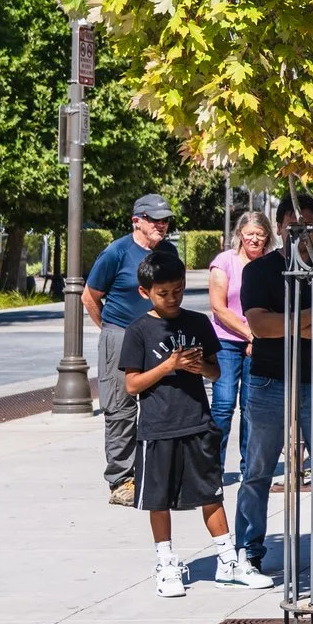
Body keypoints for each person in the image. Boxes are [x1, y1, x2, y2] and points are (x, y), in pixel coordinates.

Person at [122, 250, 274, 596]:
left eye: (177, 290)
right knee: (158, 499)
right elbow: (131, 385)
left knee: (211, 493)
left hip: (196, 421)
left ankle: (226, 561)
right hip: (158, 427)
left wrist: (197, 368)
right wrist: (169, 366)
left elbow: (215, 370)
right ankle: (166, 563)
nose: (172, 298)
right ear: (145, 292)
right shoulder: (139, 331)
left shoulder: (197, 323)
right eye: (164, 293)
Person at [237, 194, 313, 580]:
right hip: (269, 381)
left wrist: (287, 322)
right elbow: (260, 327)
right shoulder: (259, 272)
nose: (301, 234)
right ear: (279, 228)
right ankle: (249, 549)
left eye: (309, 226)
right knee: (258, 468)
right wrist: (311, 316)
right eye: (293, 226)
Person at [86, 192, 179, 504]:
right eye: (155, 219)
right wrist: (112, 332)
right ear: (136, 220)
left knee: (162, 405)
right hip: (120, 335)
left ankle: (155, 471)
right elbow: (90, 296)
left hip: (158, 335)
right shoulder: (116, 252)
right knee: (120, 409)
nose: (161, 225)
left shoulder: (168, 252)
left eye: (165, 219)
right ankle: (121, 480)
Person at [205, 211, 272, 471]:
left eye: (260, 234)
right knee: (223, 405)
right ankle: (212, 467)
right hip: (226, 341)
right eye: (249, 234)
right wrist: (249, 333)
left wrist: (258, 337)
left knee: (251, 407)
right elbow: (218, 308)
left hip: (261, 342)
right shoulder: (224, 262)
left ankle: (250, 466)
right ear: (239, 235)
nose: (254, 239)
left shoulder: (269, 264)